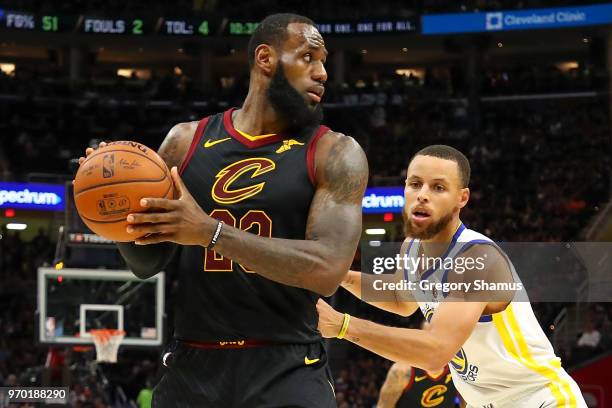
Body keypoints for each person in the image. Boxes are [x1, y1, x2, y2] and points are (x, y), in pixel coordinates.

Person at [79, 13, 368, 407]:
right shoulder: (184, 142)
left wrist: (210, 233)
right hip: (193, 365)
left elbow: (328, 270)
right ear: (265, 58)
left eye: (323, 62)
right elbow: (146, 262)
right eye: (308, 58)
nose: (322, 73)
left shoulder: (335, 152)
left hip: (287, 364)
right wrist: (116, 208)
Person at [318, 145, 586, 408]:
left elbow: (436, 351)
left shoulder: (476, 258)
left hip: (538, 397)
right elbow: (401, 298)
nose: (422, 195)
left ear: (462, 198)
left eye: (438, 187)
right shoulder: (412, 246)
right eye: (415, 184)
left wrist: (342, 325)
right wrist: (339, 274)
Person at [377, 322, 462, 408]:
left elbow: (466, 401)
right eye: (428, 338)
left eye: (437, 337)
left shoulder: (457, 365)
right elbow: (384, 405)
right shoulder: (402, 370)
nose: (432, 342)